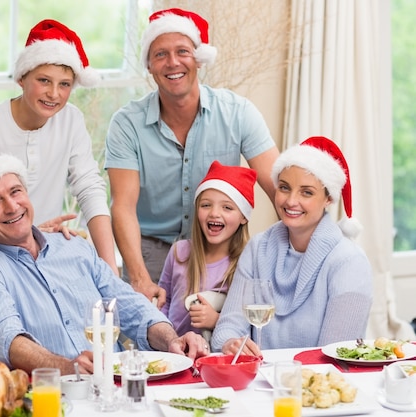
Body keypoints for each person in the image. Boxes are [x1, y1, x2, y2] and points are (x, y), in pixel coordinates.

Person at [0, 153, 209, 375]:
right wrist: (68, 367)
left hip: (113, 387)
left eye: (16, 192)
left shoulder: (74, 245)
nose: (11, 206)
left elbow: (129, 305)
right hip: (52, 396)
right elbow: (8, 339)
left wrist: (172, 340)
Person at [104, 7, 279, 306]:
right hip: (150, 257)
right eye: (160, 54)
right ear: (149, 65)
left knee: (219, 345)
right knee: (150, 350)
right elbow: (123, 206)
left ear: (198, 58)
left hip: (219, 253)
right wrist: (139, 278)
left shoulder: (238, 113)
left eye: (182, 51)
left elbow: (279, 188)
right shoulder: (126, 124)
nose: (172, 62)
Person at [0, 19, 117, 274]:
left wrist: (110, 267)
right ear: (22, 78)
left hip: (43, 262)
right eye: (44, 81)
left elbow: (89, 187)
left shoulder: (71, 120)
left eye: (65, 84)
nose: (54, 94)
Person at [211, 136, 373, 355]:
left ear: (328, 199)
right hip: (257, 382)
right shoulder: (258, 248)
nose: (290, 201)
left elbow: (338, 355)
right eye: (284, 188)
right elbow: (227, 328)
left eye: (306, 192)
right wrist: (230, 343)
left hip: (316, 384)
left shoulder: (349, 262)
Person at [159, 161, 256, 344]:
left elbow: (250, 326)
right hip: (176, 355)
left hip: (215, 360)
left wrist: (215, 321)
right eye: (206, 205)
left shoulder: (246, 263)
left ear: (243, 216)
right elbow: (165, 302)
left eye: (227, 207)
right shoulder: (179, 252)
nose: (214, 214)